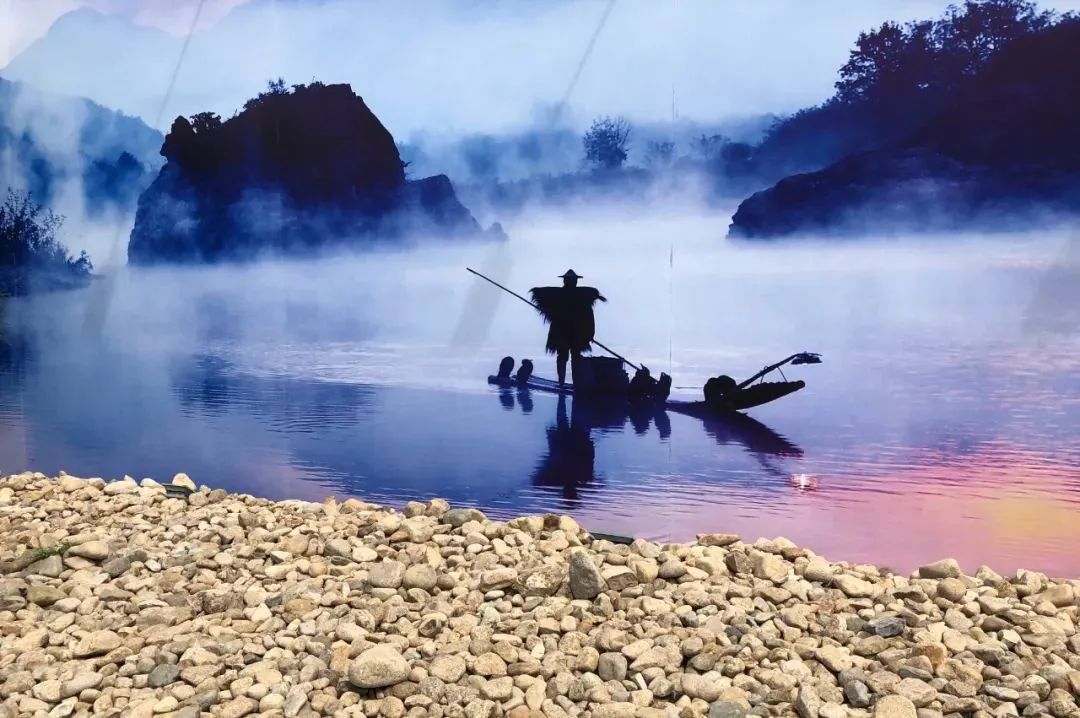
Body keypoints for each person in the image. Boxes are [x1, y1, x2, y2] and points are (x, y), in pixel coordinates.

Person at [529, 270, 606, 385]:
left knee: (571, 357)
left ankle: (571, 383)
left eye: (572, 280)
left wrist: (589, 334)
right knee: (566, 357)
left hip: (573, 333)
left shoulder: (578, 296)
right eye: (570, 280)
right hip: (564, 332)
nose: (570, 282)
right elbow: (589, 316)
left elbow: (589, 317)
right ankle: (565, 382)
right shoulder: (570, 295)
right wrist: (589, 334)